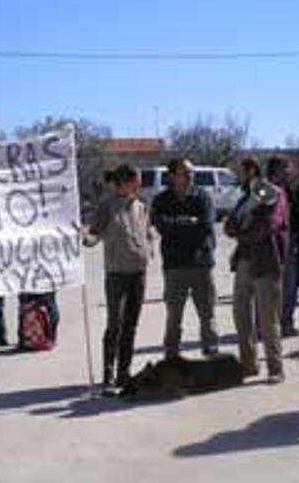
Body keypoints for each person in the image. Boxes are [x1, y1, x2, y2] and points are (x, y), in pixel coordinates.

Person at [84, 164, 154, 393]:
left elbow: (147, 233)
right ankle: (108, 373)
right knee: (115, 323)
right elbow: (94, 233)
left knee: (131, 325)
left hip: (139, 273)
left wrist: (148, 249)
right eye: (137, 180)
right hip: (117, 274)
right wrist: (87, 239)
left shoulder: (141, 206)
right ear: (124, 182)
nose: (139, 184)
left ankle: (125, 372)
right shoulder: (107, 206)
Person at [224, 158, 289, 382]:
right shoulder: (245, 197)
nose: (240, 177)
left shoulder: (276, 194)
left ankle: (275, 368)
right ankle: (248, 364)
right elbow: (228, 226)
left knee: (268, 318)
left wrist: (242, 231)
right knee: (241, 314)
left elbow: (270, 226)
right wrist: (242, 225)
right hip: (244, 260)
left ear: (252, 171)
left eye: (242, 172)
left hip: (266, 261)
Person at [151, 157, 220, 358]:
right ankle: (172, 353)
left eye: (192, 172)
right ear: (172, 176)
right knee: (174, 315)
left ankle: (211, 349)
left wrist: (177, 225)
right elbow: (161, 226)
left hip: (201, 264)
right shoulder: (161, 199)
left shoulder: (203, 197)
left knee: (207, 312)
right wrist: (187, 221)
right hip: (174, 266)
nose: (190, 176)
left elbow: (205, 226)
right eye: (185, 173)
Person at [267, 155, 299, 337]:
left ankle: (286, 322)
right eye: (286, 168)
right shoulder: (264, 190)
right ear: (276, 169)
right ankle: (266, 325)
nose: (289, 172)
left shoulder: (291, 190)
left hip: (290, 244)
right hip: (268, 246)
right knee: (268, 288)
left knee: (289, 287)